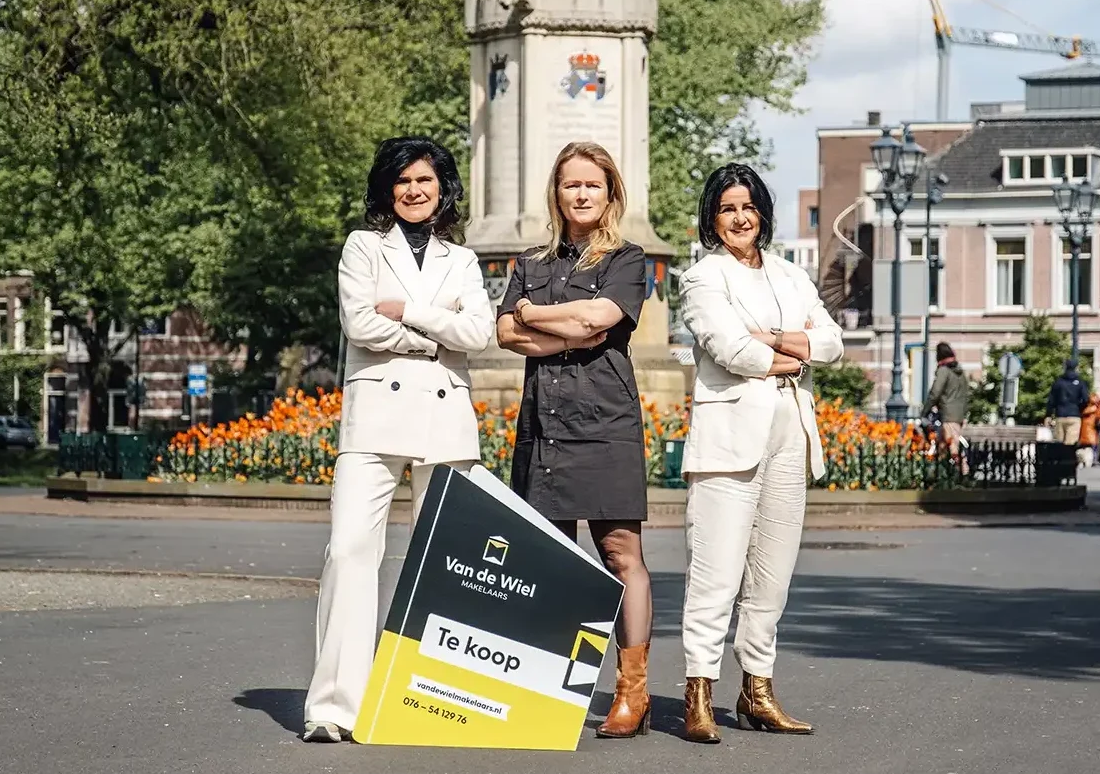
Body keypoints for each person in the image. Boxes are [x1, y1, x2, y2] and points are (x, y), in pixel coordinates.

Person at [304, 137, 495, 743]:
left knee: (445, 564)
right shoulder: (363, 247)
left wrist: (406, 311)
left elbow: (480, 332)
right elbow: (359, 322)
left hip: (445, 423)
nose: (414, 190)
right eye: (403, 180)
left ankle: (436, 702)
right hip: (374, 422)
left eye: (425, 181)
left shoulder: (461, 259)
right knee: (349, 553)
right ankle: (335, 707)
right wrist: (436, 334)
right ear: (387, 189)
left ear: (444, 190)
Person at [678, 163, 844, 743]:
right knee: (716, 573)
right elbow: (727, 349)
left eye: (748, 207)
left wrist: (770, 339)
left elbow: (832, 342)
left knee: (772, 577)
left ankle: (758, 689)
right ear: (712, 218)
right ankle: (698, 690)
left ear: (763, 214)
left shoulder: (791, 276)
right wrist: (789, 351)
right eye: (727, 208)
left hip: (788, 435)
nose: (740, 218)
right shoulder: (702, 277)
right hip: (727, 439)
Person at [495, 141, 653, 739]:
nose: (581, 194)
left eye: (593, 185)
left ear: (610, 193)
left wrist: (538, 316)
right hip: (544, 424)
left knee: (620, 555)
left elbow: (600, 320)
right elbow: (505, 333)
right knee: (549, 558)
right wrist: (557, 327)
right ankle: (547, 687)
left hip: (606, 420)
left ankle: (630, 693)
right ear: (556, 193)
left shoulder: (627, 258)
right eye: (571, 185)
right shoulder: (531, 262)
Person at [924, 342, 969, 448]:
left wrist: (925, 411)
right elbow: (966, 394)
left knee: (951, 449)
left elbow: (935, 393)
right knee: (949, 445)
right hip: (959, 416)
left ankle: (956, 464)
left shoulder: (944, 371)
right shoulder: (960, 372)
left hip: (947, 415)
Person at [1046, 359, 1090, 447]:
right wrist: (1080, 409)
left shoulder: (1058, 382)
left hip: (1060, 415)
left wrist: (1049, 414)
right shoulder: (1080, 382)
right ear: (1076, 368)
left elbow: (1052, 400)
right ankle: (1068, 459)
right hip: (1074, 415)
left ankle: (1060, 459)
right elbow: (1086, 399)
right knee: (1071, 444)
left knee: (1059, 443)